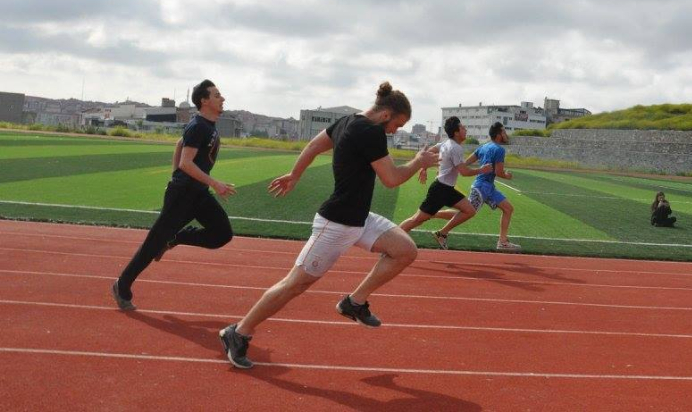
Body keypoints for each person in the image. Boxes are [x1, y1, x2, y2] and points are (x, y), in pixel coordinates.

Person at [218, 82, 439, 369]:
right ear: (386, 115)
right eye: (397, 125)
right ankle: (239, 332)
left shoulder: (346, 121)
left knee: (405, 250)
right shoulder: (370, 131)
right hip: (336, 223)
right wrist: (418, 161)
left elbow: (313, 146)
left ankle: (354, 302)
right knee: (294, 285)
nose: (394, 131)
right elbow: (392, 179)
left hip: (359, 218)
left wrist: (295, 174)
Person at [111, 79, 236, 311]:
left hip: (198, 194)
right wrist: (213, 183)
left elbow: (180, 144)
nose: (222, 99)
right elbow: (186, 163)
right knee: (153, 244)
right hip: (182, 195)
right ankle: (122, 285)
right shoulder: (199, 126)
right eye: (217, 95)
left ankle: (176, 238)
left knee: (222, 234)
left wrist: (177, 174)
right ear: (204, 101)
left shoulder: (207, 125)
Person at [398, 116, 492, 249]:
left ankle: (442, 233)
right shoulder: (455, 148)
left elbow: (427, 152)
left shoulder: (445, 143)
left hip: (448, 189)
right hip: (440, 190)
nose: (465, 129)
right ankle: (392, 238)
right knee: (417, 220)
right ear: (456, 132)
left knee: (469, 210)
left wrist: (424, 167)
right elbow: (464, 172)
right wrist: (482, 170)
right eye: (462, 127)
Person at [469, 122, 521, 252]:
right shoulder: (499, 150)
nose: (506, 134)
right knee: (466, 212)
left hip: (488, 187)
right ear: (498, 135)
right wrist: (507, 176)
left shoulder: (483, 147)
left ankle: (502, 242)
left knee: (508, 209)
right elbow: (498, 172)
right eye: (504, 132)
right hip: (481, 188)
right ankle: (433, 215)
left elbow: (465, 162)